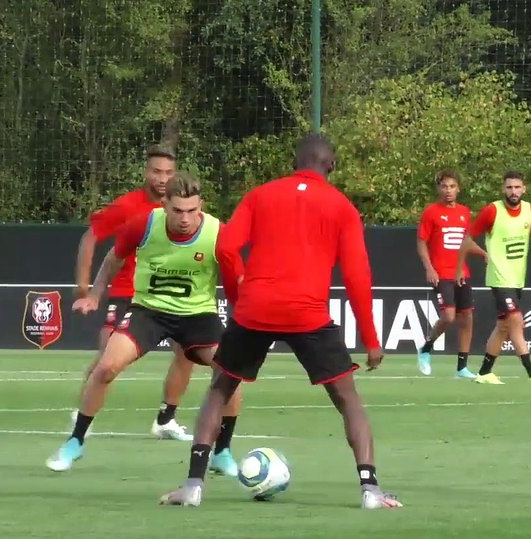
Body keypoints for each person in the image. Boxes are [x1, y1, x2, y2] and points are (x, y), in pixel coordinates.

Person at [159, 133, 400, 510]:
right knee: (347, 398)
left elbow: (225, 247)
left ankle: (192, 486)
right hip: (308, 312)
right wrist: (371, 340)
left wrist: (239, 300)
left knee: (220, 390)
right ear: (331, 166)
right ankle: (370, 490)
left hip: (256, 308)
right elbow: (357, 276)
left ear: (294, 162)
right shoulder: (342, 208)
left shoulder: (260, 196)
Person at [47, 174, 244, 473]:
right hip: (148, 312)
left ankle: (223, 452)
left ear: (201, 206)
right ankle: (75, 442)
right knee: (106, 367)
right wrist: (95, 295)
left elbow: (235, 286)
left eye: (192, 211)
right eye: (178, 211)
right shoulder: (144, 224)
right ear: (165, 205)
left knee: (231, 370)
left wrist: (245, 324)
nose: (185, 219)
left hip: (198, 315)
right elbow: (114, 258)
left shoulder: (218, 233)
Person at [74, 145, 196, 440]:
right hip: (129, 292)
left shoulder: (183, 211)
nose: (162, 178)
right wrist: (85, 288)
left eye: (168, 172)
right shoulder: (128, 207)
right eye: (156, 171)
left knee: (188, 351)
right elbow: (91, 236)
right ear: (146, 172)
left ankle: (166, 419)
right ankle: (80, 417)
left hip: (170, 296)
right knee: (107, 358)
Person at [455, 171, 531, 384]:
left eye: (517, 187)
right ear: (503, 189)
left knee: (504, 326)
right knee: (516, 320)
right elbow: (467, 239)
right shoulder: (492, 211)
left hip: (517, 279)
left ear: (524, 189)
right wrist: (459, 268)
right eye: (509, 187)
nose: (513, 191)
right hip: (499, 278)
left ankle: (484, 372)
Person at [415, 170, 477, 378]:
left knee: (467, 316)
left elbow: (466, 242)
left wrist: (484, 253)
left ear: (458, 188)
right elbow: (421, 241)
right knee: (449, 316)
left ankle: (462, 367)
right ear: (439, 189)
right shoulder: (431, 212)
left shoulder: (465, 212)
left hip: (462, 273)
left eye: (452, 186)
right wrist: (429, 268)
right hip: (442, 273)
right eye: (444, 186)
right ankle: (426, 347)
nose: (448, 190)